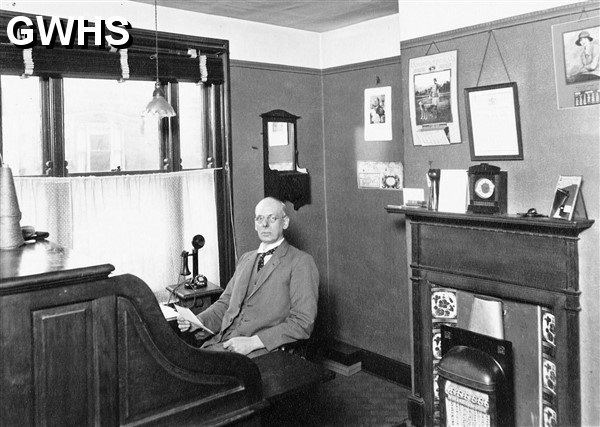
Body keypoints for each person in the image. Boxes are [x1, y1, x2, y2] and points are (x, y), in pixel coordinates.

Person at [177, 197, 319, 358]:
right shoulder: (246, 259)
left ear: (285, 222)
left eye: (272, 218)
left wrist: (252, 343)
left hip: (263, 352)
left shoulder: (301, 262)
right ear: (255, 224)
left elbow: (302, 323)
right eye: (260, 218)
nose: (265, 224)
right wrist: (198, 322)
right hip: (222, 344)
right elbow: (225, 304)